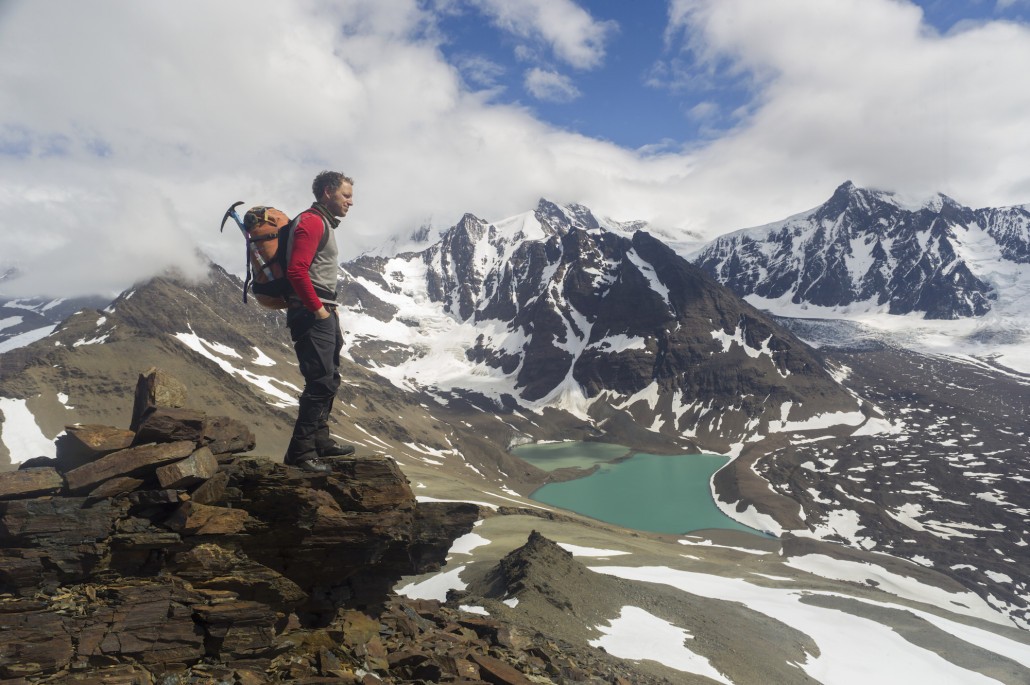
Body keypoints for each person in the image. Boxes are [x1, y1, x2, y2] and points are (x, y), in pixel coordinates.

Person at [282, 170, 356, 472]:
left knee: (330, 378)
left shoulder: (322, 222)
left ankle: (320, 442)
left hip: (322, 309)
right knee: (320, 380)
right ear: (328, 192)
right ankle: (300, 453)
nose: (351, 202)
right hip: (311, 313)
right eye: (346, 195)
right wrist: (318, 310)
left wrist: (329, 308)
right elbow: (297, 272)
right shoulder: (312, 222)